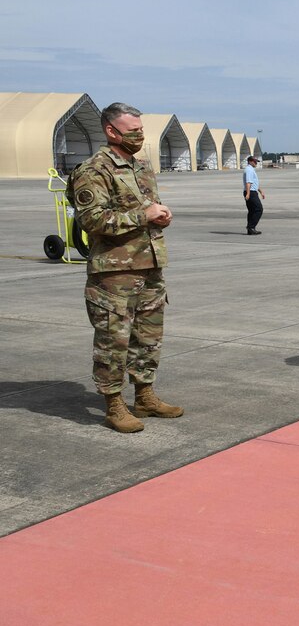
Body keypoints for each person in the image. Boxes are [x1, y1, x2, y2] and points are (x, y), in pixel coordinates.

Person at [71, 102, 184, 433]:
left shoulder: (141, 167)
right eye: (132, 130)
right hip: (114, 273)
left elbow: (145, 208)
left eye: (141, 130)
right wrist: (143, 216)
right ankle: (114, 405)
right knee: (113, 339)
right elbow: (91, 220)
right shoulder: (94, 170)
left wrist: (160, 215)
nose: (138, 135)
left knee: (148, 336)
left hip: (149, 264)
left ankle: (145, 396)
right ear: (111, 131)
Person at [243, 155, 266, 235]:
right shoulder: (249, 170)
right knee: (259, 209)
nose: (256, 163)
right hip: (251, 192)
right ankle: (251, 227)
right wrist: (248, 194)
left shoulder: (250, 169)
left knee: (252, 211)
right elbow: (248, 182)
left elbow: (254, 183)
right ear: (250, 161)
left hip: (252, 191)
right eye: (254, 161)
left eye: (256, 161)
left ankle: (250, 229)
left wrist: (260, 191)